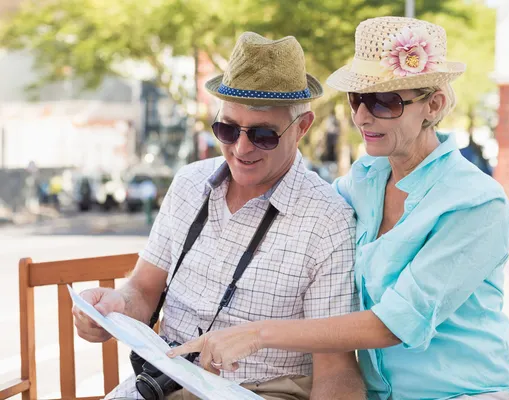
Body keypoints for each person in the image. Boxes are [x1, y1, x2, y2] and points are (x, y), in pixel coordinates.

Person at [168, 17, 509, 400]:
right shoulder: (364, 180)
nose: (362, 116)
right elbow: (298, 211)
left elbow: (393, 324)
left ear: (434, 104)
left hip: (466, 392)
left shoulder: (475, 203)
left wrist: (258, 334)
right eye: (357, 99)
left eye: (384, 102)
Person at [72, 32, 365, 400]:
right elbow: (143, 289)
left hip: (263, 391)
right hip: (163, 382)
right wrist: (116, 306)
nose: (241, 149)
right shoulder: (188, 182)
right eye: (227, 129)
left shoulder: (328, 219)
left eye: (263, 135)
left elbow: (336, 368)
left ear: (302, 127)